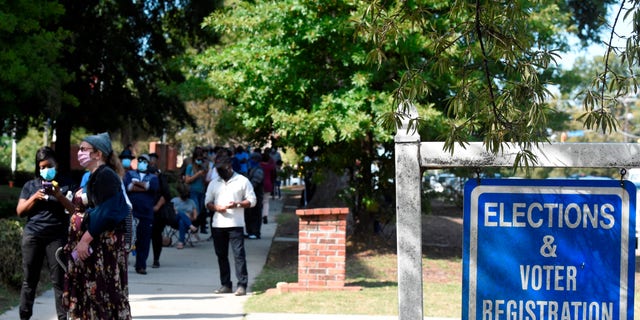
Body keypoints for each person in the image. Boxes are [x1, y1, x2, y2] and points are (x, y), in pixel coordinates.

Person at [63, 132, 132, 319]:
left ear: (97, 154)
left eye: (84, 149)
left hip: (102, 249)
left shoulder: (105, 176)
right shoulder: (95, 176)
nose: (80, 153)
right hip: (95, 249)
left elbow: (106, 212)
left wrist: (85, 240)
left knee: (103, 295)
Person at [16, 147, 75, 320]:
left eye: (48, 166)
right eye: (41, 167)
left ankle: (63, 317)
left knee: (59, 281)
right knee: (29, 280)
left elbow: (74, 211)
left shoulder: (66, 184)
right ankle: (24, 316)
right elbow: (20, 211)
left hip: (56, 237)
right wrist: (34, 197)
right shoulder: (30, 185)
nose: (45, 170)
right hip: (33, 236)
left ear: (56, 165)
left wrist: (59, 195)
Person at [205, 151, 256, 296]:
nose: (219, 172)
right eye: (217, 170)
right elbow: (207, 202)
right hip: (218, 225)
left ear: (229, 166)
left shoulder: (242, 181)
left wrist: (238, 205)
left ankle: (242, 285)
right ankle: (226, 284)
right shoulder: (214, 183)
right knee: (221, 255)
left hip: (236, 224)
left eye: (222, 169)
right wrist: (215, 207)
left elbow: (252, 201)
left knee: (239, 255)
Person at [124, 154, 159, 274]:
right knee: (129, 239)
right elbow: (128, 187)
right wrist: (143, 186)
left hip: (146, 213)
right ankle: (124, 264)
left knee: (144, 240)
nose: (141, 163)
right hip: (132, 213)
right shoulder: (130, 174)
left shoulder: (153, 177)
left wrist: (136, 184)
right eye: (139, 161)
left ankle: (141, 265)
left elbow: (151, 187)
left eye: (144, 161)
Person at [149, 153, 173, 268]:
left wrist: (157, 207)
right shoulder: (143, 174)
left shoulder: (161, 177)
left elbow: (166, 194)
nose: (152, 162)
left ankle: (156, 259)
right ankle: (141, 260)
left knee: (156, 236)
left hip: (158, 212)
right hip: (145, 210)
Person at [184, 147, 209, 233]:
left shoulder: (202, 167)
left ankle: (196, 227)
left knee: (202, 211)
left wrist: (205, 176)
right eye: (198, 159)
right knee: (196, 210)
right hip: (193, 191)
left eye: (201, 159)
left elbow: (205, 181)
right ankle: (190, 226)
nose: (199, 161)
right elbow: (187, 180)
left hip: (202, 191)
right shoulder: (190, 167)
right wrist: (197, 174)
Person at [171, 183, 199, 249]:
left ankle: (181, 242)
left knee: (182, 221)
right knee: (180, 214)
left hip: (185, 223)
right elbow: (171, 213)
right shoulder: (174, 200)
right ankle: (191, 226)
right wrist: (184, 214)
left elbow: (195, 216)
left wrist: (190, 217)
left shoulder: (191, 202)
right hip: (175, 221)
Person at [245, 153, 264, 239]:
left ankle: (255, 232)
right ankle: (250, 232)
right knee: (248, 215)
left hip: (256, 196)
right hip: (249, 196)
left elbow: (254, 183)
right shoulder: (251, 169)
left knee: (255, 215)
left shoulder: (258, 170)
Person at [259, 151, 277, 224]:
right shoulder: (271, 167)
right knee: (266, 201)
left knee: (259, 201)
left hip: (259, 184)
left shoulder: (259, 166)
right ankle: (265, 215)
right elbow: (274, 176)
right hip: (268, 184)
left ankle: (259, 215)